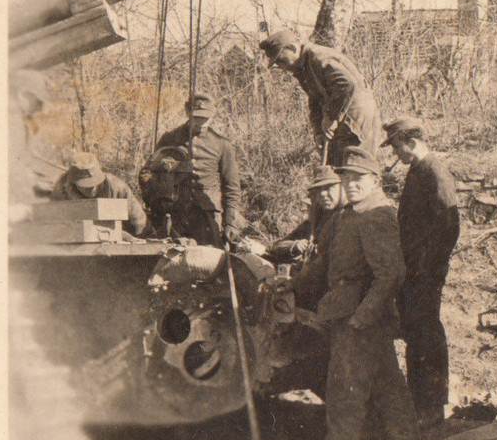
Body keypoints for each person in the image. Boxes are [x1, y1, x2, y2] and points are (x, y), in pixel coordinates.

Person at [286, 146, 417, 440]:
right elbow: (324, 264)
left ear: (375, 180)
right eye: (346, 178)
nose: (351, 184)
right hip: (352, 314)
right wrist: (292, 285)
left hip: (359, 318)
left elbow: (391, 274)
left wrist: (362, 317)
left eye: (359, 178)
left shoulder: (377, 215)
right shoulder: (349, 214)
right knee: (388, 382)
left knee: (344, 394)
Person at [382, 117, 461, 426]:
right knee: (416, 336)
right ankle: (421, 406)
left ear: (412, 142)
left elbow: (449, 227)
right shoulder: (418, 170)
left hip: (424, 274)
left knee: (426, 337)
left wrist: (428, 268)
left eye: (397, 147)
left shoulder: (434, 172)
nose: (395, 154)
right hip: (414, 272)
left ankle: (431, 408)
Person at [259, 30, 384, 167]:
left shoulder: (319, 57)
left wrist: (331, 117)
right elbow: (315, 100)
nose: (280, 67)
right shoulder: (303, 66)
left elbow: (346, 85)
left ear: (292, 48)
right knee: (336, 169)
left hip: (355, 118)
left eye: (280, 60)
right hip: (341, 116)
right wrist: (318, 131)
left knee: (357, 168)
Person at [146, 92, 243, 247]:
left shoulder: (222, 144)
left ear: (213, 115)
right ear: (187, 112)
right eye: (197, 118)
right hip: (176, 214)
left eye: (206, 118)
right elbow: (149, 175)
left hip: (207, 216)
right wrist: (156, 203)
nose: (202, 123)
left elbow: (231, 187)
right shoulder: (169, 139)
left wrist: (230, 222)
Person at [50, 151, 150, 237]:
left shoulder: (117, 187)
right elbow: (53, 225)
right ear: (74, 182)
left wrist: (121, 235)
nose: (92, 188)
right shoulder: (62, 188)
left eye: (96, 182)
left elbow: (140, 225)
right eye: (86, 185)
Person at [266, 166, 345, 265]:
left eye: (329, 187)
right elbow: (276, 246)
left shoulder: (349, 219)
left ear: (342, 188)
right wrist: (294, 246)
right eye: (318, 190)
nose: (323, 193)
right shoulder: (314, 222)